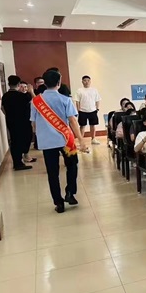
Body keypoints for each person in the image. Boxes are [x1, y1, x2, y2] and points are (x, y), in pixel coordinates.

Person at [31, 69, 88, 213]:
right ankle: (70, 193)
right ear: (59, 82)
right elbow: (73, 121)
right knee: (72, 165)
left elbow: (34, 124)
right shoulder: (65, 99)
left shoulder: (36, 101)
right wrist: (81, 140)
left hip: (47, 143)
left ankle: (58, 202)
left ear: (44, 83)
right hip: (66, 141)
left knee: (52, 173)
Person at [1, 75, 35, 170]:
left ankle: (18, 161)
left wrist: (9, 115)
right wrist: (31, 91)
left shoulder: (5, 96)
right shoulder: (22, 96)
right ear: (19, 84)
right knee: (25, 139)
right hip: (23, 123)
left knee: (14, 141)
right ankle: (19, 162)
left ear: (9, 84)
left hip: (11, 122)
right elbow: (35, 99)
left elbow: (2, 108)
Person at [76, 75, 102, 145]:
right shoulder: (79, 90)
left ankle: (93, 139)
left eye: (88, 80)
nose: (86, 82)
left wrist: (97, 108)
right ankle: (81, 140)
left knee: (93, 125)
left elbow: (97, 100)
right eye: (85, 80)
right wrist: (78, 110)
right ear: (82, 82)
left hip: (93, 110)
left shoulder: (94, 90)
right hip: (82, 111)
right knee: (82, 126)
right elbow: (77, 101)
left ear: (90, 81)